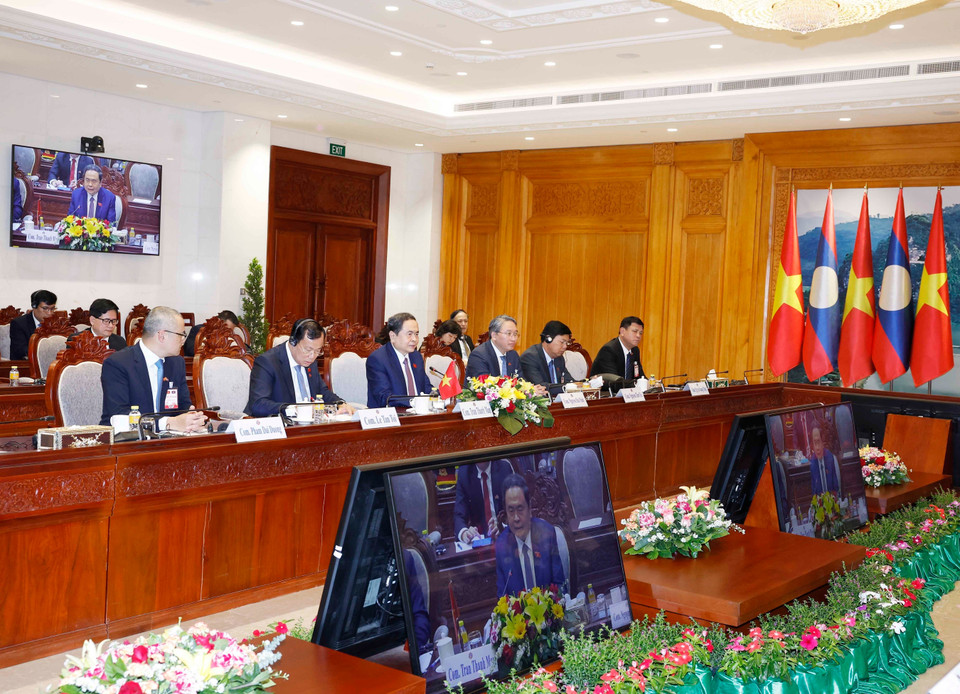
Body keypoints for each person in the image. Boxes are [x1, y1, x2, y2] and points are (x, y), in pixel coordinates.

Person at [99, 306, 207, 432]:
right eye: (181, 334)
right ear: (162, 336)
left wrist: (192, 418)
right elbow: (119, 416)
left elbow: (183, 406)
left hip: (167, 439)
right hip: (127, 441)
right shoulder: (118, 364)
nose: (183, 340)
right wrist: (167, 423)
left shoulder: (176, 362)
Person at [245, 319, 353, 417]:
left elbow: (322, 391)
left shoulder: (310, 361)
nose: (312, 356)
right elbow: (258, 404)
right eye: (307, 350)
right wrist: (294, 410)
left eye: (318, 351)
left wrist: (340, 403)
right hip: (279, 428)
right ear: (293, 342)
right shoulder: (267, 362)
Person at [495, 474, 565, 597]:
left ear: (530, 509)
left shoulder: (546, 534)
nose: (516, 518)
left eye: (520, 509)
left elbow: (560, 586)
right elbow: (502, 598)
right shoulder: (501, 546)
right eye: (511, 511)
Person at [366, 313, 431, 408]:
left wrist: (442, 396)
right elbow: (384, 397)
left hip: (418, 415)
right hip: (391, 416)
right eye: (409, 334)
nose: (414, 339)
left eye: (416, 334)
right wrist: (415, 402)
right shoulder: (378, 359)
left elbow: (426, 388)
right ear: (392, 336)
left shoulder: (416, 356)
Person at [454, 459, 513, 544]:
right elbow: (459, 514)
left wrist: (503, 526)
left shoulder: (504, 468)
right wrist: (464, 532)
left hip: (504, 537)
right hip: (479, 539)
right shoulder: (464, 473)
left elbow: (515, 508)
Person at [465, 315, 523, 380]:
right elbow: (484, 386)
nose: (513, 339)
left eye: (515, 334)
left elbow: (520, 381)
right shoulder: (479, 355)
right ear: (494, 335)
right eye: (509, 333)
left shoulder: (513, 355)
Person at [520, 320, 574, 387]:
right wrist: (564, 387)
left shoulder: (559, 358)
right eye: (562, 342)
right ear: (548, 339)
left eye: (567, 343)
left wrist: (585, 384)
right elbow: (541, 386)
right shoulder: (530, 357)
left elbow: (570, 382)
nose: (565, 346)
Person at [590, 316, 646, 380]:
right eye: (634, 331)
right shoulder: (609, 350)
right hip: (606, 389)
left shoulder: (635, 350)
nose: (638, 336)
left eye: (641, 333)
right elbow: (615, 381)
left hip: (625, 388)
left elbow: (640, 376)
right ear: (622, 331)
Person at [10, 289, 57, 360]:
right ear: (34, 306)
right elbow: (21, 350)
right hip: (25, 365)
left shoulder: (57, 324)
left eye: (52, 309)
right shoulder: (19, 324)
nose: (50, 313)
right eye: (45, 308)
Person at [808, 426, 840, 497]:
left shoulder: (830, 458)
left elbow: (836, 487)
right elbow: (814, 492)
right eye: (815, 443)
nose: (817, 448)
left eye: (819, 442)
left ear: (823, 443)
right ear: (812, 445)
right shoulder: (812, 464)